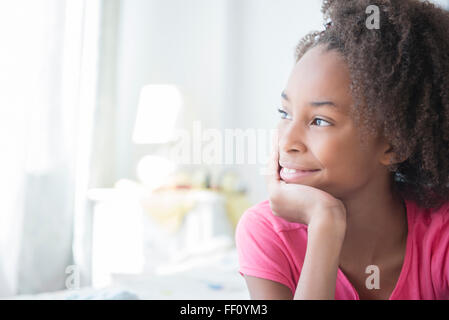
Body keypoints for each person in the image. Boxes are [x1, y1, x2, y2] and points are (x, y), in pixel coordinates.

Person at [235, 0, 449, 300]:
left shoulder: (441, 235)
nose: (287, 142)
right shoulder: (267, 232)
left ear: (394, 144)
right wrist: (325, 223)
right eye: (285, 113)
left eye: (319, 120)